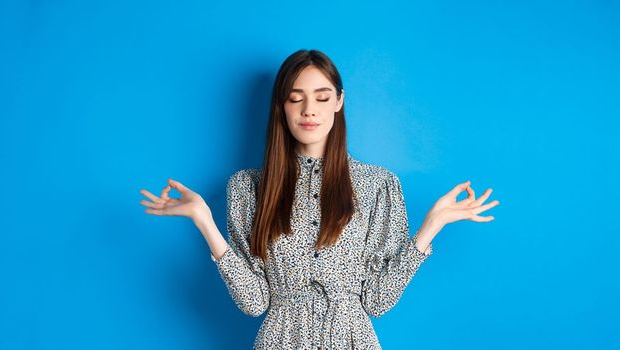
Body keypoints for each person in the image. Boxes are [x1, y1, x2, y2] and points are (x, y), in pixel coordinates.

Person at [139, 49, 500, 349]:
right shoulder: (247, 188)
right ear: (281, 106)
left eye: (322, 97)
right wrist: (204, 220)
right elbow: (254, 303)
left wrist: (429, 228)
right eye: (296, 98)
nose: (309, 110)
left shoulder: (378, 185)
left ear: (339, 101)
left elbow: (377, 301)